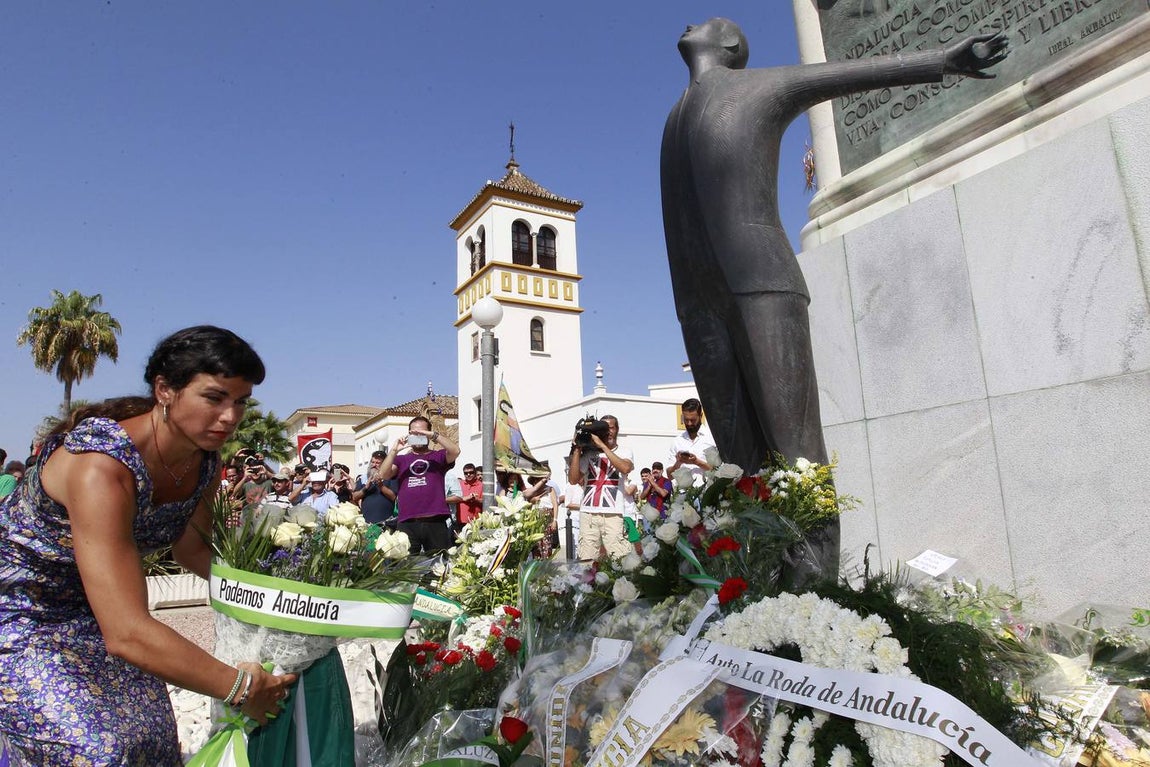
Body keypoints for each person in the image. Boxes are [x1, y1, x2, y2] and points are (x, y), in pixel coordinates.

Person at [661, 18, 1007, 473]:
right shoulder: (673, 117)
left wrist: (943, 60)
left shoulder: (758, 86)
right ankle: (751, 547)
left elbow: (844, 75)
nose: (691, 23)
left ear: (729, 43)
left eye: (708, 23)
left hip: (762, 282)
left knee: (797, 455)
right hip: (696, 300)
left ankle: (817, 547)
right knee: (737, 466)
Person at [0, 325, 296, 764]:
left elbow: (192, 551)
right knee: (98, 751)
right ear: (165, 390)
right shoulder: (100, 466)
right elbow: (126, 633)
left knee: (152, 743)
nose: (231, 417)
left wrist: (279, 598)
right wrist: (241, 689)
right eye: (214, 398)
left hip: (100, 607)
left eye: (241, 402)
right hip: (21, 616)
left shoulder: (203, 462)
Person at [378, 416, 460, 554]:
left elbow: (455, 451)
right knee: (406, 568)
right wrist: (394, 450)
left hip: (435, 522)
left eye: (421, 433)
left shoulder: (438, 457)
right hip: (407, 522)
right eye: (413, 433)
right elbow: (384, 474)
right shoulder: (401, 459)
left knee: (437, 566)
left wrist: (432, 435)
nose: (417, 436)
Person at [567, 414, 634, 561]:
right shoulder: (589, 454)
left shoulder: (624, 451)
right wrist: (577, 449)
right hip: (588, 514)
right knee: (587, 559)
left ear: (617, 430)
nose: (608, 431)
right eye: (604, 428)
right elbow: (573, 480)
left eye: (611, 427)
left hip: (613, 513)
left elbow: (625, 468)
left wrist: (603, 446)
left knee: (619, 558)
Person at [667, 398, 717, 487]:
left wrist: (697, 462)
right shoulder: (677, 441)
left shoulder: (712, 438)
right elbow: (670, 476)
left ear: (701, 416)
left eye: (693, 420)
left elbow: (718, 471)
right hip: (683, 496)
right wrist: (678, 462)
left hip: (707, 494)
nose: (689, 423)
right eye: (686, 420)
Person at [353, 449, 400, 527]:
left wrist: (381, 486)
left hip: (385, 523)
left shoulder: (391, 478)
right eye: (373, 462)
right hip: (366, 523)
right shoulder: (364, 479)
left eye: (378, 463)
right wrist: (366, 488)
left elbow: (394, 497)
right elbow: (354, 497)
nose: (374, 465)